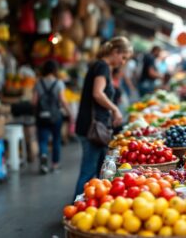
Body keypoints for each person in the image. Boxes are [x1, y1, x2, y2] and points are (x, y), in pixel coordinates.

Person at [74, 36, 132, 197]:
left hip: (97, 128)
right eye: (123, 57)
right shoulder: (102, 67)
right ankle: (75, 207)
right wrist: (115, 109)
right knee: (88, 172)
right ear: (115, 52)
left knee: (102, 170)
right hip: (92, 128)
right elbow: (98, 94)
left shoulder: (100, 67)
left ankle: (94, 205)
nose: (123, 62)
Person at [32, 60, 72, 174]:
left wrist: (37, 112)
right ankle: (55, 165)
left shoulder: (38, 83)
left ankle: (44, 158)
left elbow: (34, 102)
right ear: (55, 70)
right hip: (56, 116)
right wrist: (70, 112)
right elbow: (63, 100)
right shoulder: (59, 83)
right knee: (56, 140)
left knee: (43, 140)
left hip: (42, 116)